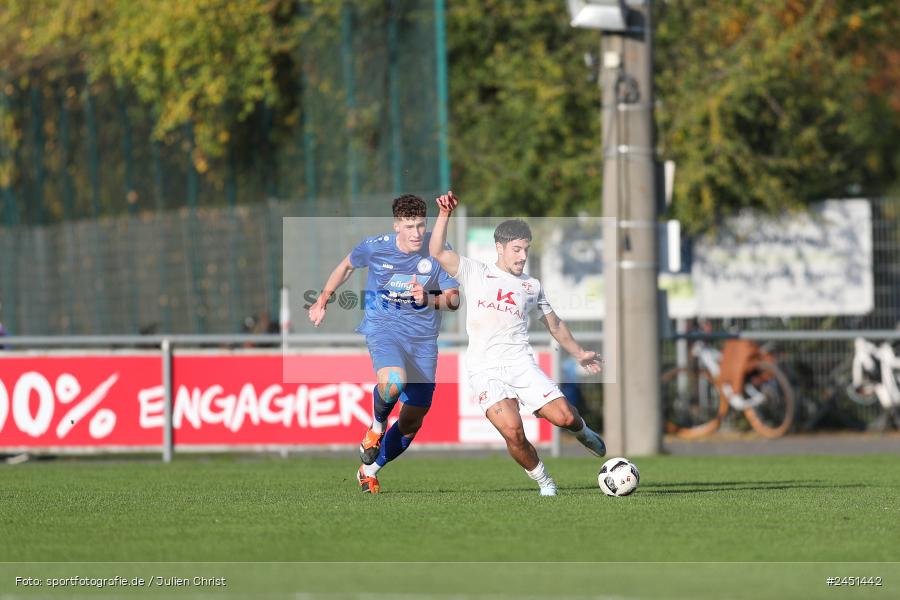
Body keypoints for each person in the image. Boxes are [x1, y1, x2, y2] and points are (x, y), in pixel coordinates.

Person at [429, 191, 605, 496]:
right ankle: (545, 483)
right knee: (513, 431)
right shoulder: (476, 272)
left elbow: (555, 324)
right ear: (499, 248)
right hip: (484, 369)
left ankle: (584, 432)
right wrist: (444, 214)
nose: (523, 256)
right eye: (516, 249)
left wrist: (578, 353)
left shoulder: (531, 286)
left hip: (520, 364)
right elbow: (437, 252)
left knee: (563, 417)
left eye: (526, 249)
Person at [308, 195, 459, 494]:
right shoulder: (376, 247)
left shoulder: (437, 250)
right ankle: (376, 428)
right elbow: (346, 267)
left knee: (412, 420)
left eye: (420, 225)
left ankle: (369, 470)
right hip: (384, 329)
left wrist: (429, 299)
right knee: (392, 381)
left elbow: (454, 299)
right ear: (396, 226)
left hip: (424, 341)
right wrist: (323, 298)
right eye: (409, 226)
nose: (416, 233)